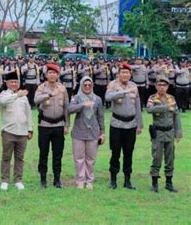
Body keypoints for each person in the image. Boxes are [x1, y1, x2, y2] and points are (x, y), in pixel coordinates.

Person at [105, 62, 143, 190]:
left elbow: (137, 106)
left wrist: (139, 124)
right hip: (116, 124)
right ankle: (113, 179)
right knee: (115, 152)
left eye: (127, 72)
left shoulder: (134, 86)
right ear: (119, 73)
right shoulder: (113, 84)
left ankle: (127, 180)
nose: (125, 74)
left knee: (128, 153)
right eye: (123, 72)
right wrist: (123, 92)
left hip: (131, 125)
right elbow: (107, 97)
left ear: (130, 74)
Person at [34, 63, 69, 189]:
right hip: (44, 125)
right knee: (43, 153)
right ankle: (43, 179)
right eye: (50, 73)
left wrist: (67, 125)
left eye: (54, 73)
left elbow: (66, 107)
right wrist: (49, 94)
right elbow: (36, 100)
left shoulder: (63, 88)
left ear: (58, 75)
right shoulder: (41, 88)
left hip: (59, 125)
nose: (52, 75)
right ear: (46, 75)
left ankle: (57, 179)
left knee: (58, 153)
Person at [68, 76, 105, 190]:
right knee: (79, 158)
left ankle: (89, 180)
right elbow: (69, 110)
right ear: (82, 85)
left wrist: (102, 132)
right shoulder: (76, 98)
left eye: (89, 85)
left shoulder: (97, 99)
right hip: (79, 132)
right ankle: (80, 180)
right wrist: (82, 105)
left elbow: (100, 117)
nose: (87, 87)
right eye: (85, 85)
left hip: (93, 132)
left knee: (91, 158)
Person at [0, 70, 33, 191]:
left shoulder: (24, 97)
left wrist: (30, 129)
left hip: (22, 132)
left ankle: (18, 180)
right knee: (6, 157)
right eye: (11, 82)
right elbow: (2, 102)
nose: (14, 84)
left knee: (19, 158)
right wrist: (16, 95)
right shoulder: (4, 94)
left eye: (16, 82)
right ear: (7, 83)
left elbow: (28, 113)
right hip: (8, 132)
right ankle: (5, 180)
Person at [147, 76, 182, 193]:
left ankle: (169, 182)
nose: (162, 87)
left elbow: (176, 116)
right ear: (156, 86)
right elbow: (149, 109)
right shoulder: (152, 98)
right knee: (156, 157)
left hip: (170, 132)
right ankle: (154, 184)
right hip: (158, 132)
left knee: (170, 158)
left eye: (164, 85)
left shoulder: (171, 98)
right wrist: (165, 107)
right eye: (160, 85)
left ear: (167, 87)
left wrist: (178, 132)